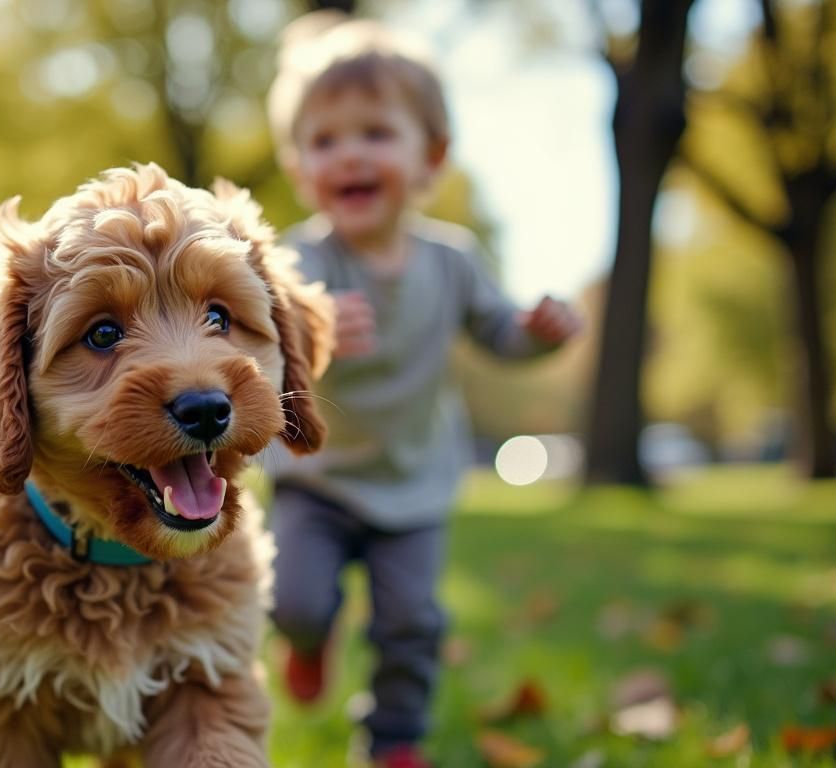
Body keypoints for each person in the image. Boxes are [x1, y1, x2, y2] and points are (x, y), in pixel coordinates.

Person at [262, 12, 582, 768]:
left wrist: (537, 334)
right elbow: (255, 353)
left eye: (375, 132)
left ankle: (395, 739)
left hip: (413, 485)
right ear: (302, 167)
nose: (350, 155)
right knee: (295, 602)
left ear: (431, 155)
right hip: (317, 480)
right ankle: (311, 641)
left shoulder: (453, 261)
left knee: (413, 620)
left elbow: (498, 332)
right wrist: (311, 332)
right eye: (325, 140)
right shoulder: (294, 261)